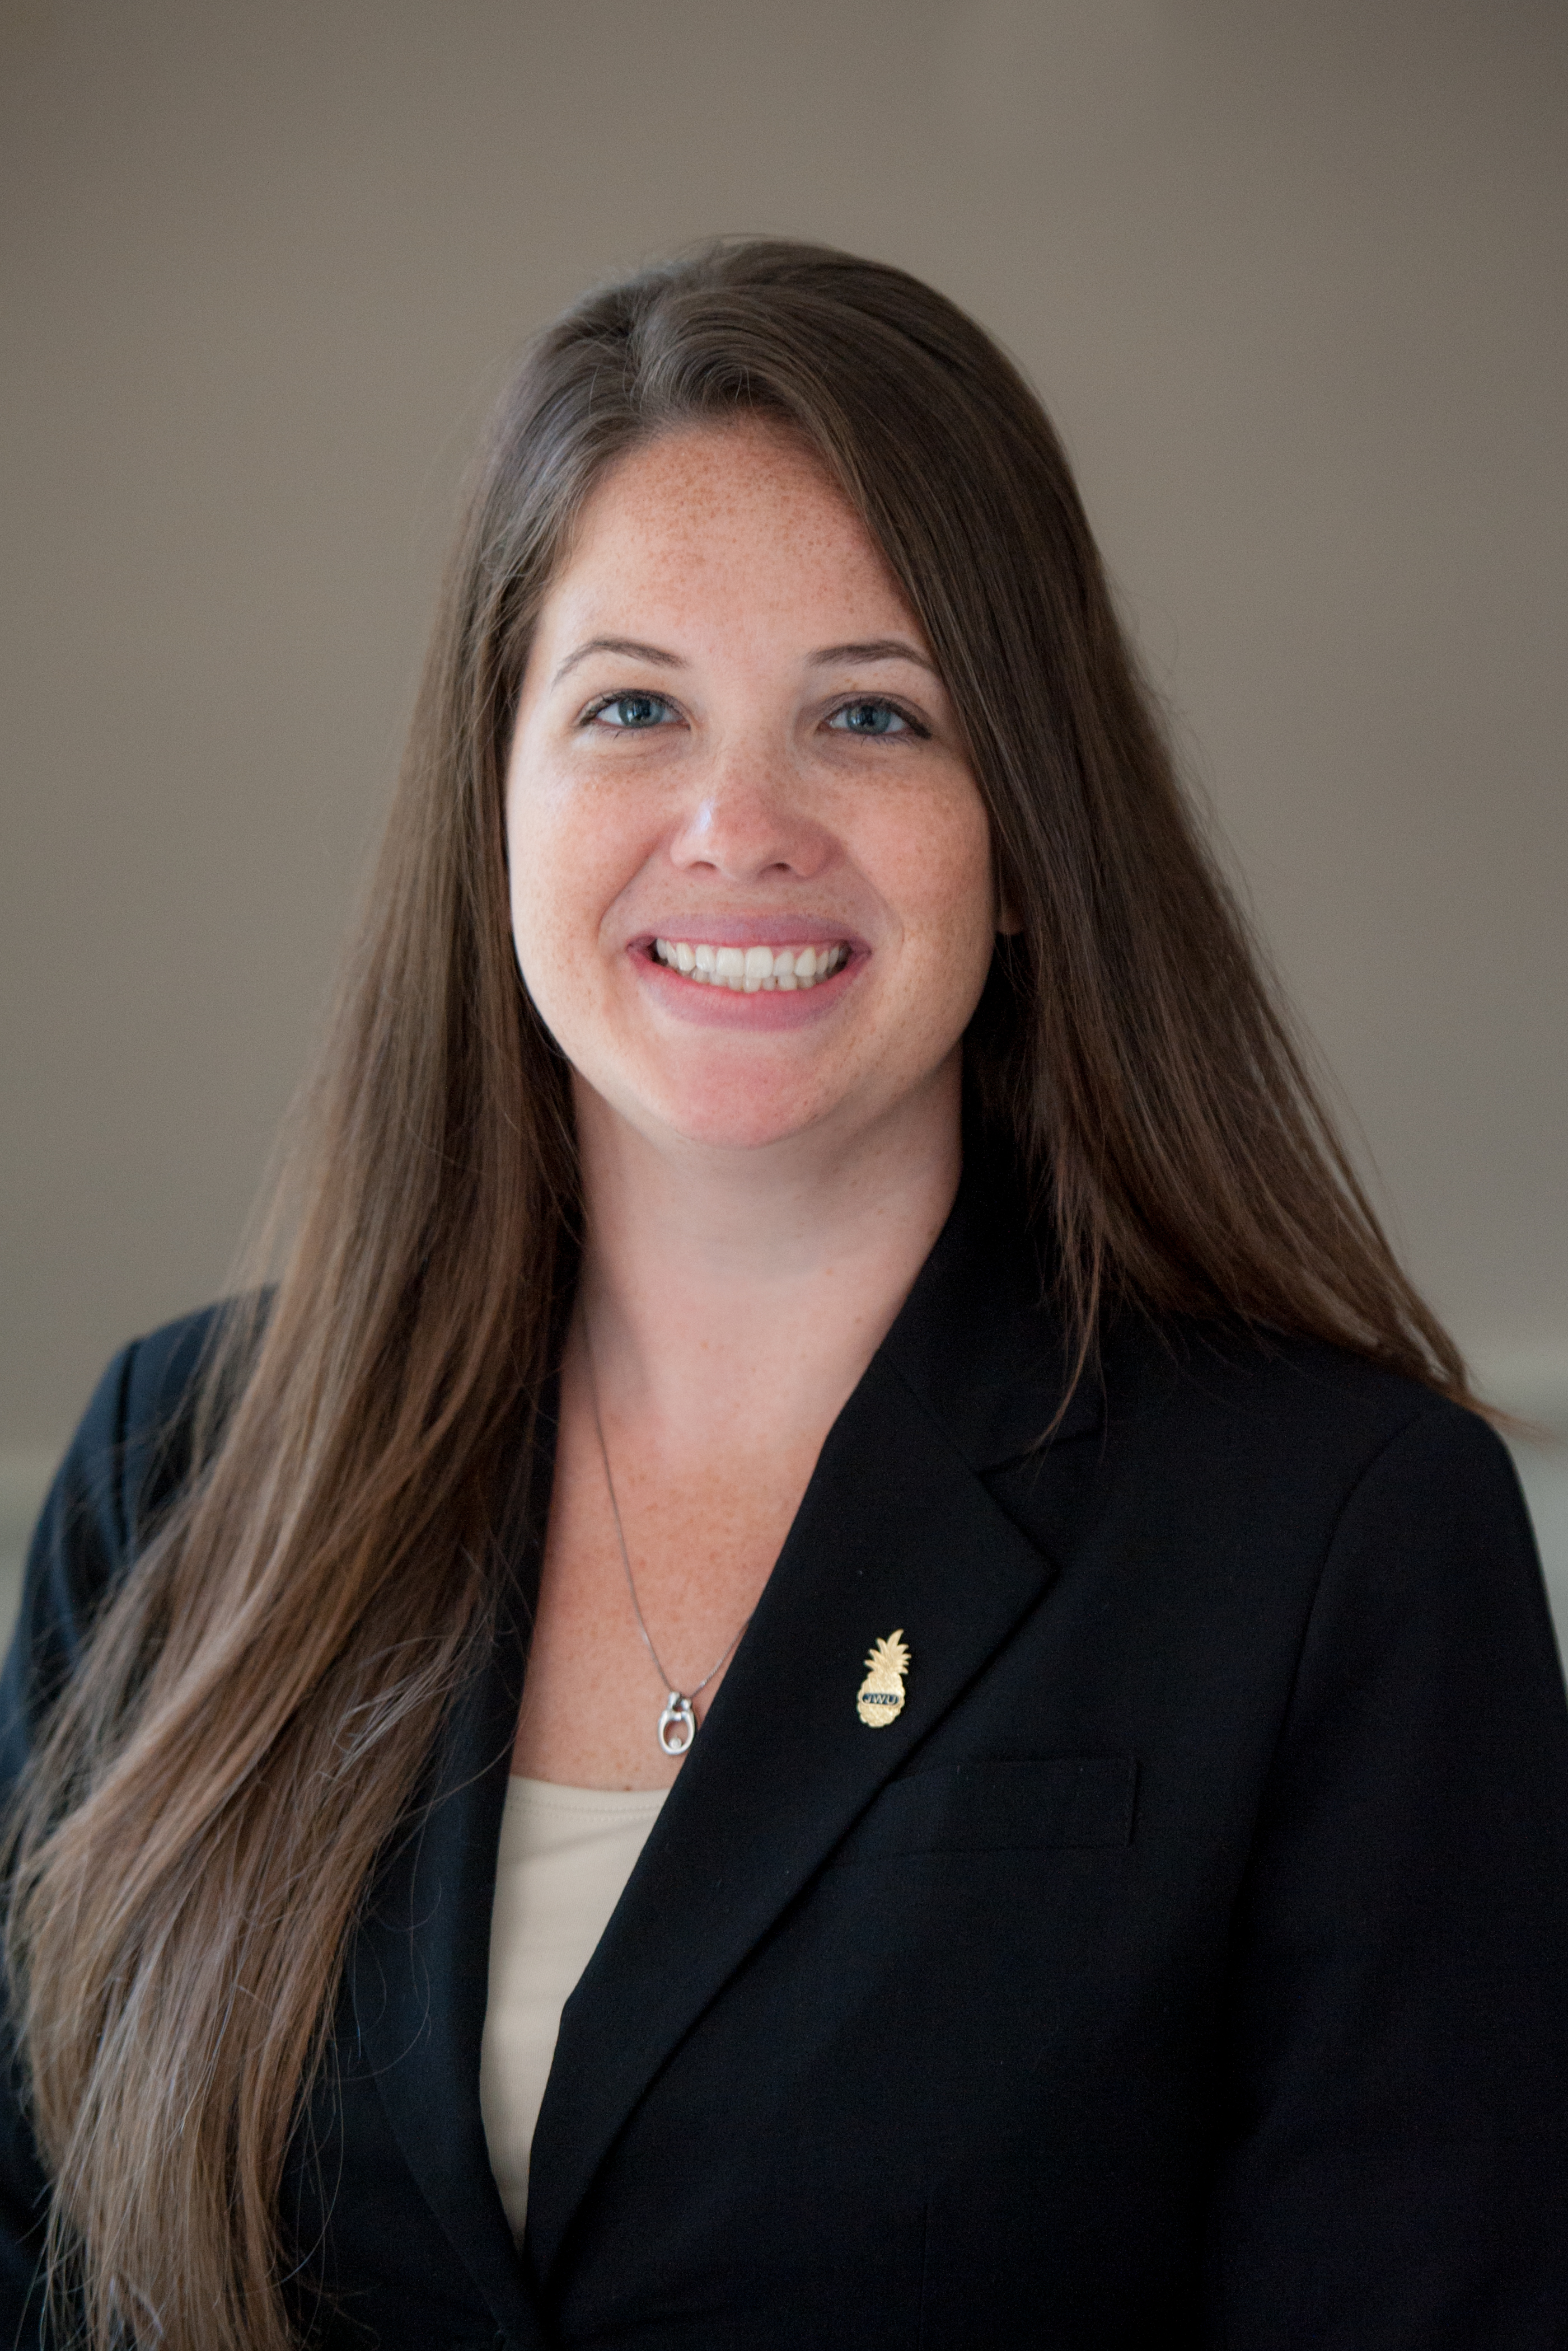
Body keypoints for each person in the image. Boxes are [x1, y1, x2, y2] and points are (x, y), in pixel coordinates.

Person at [2, 239, 1566, 2351]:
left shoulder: (1341, 1538)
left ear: (1028, 833)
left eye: (871, 714)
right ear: (495, 799)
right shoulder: (170, 1478)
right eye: (632, 705)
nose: (739, 826)